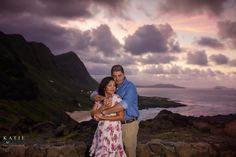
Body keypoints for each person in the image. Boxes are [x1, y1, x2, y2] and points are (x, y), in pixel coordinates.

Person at [91, 65, 139, 157]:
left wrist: (104, 112)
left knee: (129, 151)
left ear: (124, 74)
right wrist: (102, 98)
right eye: (114, 76)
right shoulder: (111, 85)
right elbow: (93, 94)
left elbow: (123, 105)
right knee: (115, 152)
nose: (117, 79)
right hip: (113, 126)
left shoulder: (130, 87)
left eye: (119, 75)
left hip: (128, 124)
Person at [90, 76, 127, 157]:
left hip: (113, 130)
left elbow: (121, 117)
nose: (113, 88)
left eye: (114, 85)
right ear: (104, 87)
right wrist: (103, 107)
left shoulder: (117, 98)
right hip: (101, 130)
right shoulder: (99, 99)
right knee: (101, 150)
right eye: (110, 85)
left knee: (111, 151)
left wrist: (103, 117)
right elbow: (92, 114)